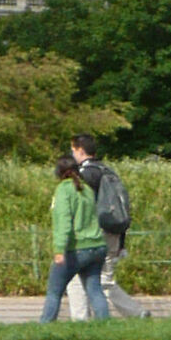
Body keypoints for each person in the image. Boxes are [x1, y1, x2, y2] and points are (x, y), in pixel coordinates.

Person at [71, 133, 139, 313]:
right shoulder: (108, 171)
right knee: (105, 280)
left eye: (73, 150)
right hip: (113, 231)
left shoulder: (85, 174)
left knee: (77, 278)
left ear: (80, 150)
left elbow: (79, 206)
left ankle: (81, 320)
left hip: (92, 233)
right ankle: (137, 313)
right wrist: (121, 242)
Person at [39, 152, 110, 322]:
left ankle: (44, 326)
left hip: (77, 248)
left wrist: (59, 249)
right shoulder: (86, 189)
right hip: (98, 245)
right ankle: (105, 327)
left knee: (54, 291)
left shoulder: (63, 190)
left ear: (59, 172)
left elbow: (63, 222)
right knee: (94, 289)